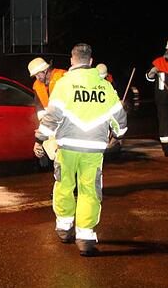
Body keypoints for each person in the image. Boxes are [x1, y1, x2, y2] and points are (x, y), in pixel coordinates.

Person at [34, 43, 127, 256]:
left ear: (72, 61)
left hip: (67, 147)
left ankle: (65, 228)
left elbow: (52, 116)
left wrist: (40, 138)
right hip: (94, 149)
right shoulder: (104, 86)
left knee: (64, 185)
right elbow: (120, 119)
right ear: (91, 61)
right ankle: (85, 237)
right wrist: (119, 135)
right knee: (89, 192)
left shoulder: (65, 84)